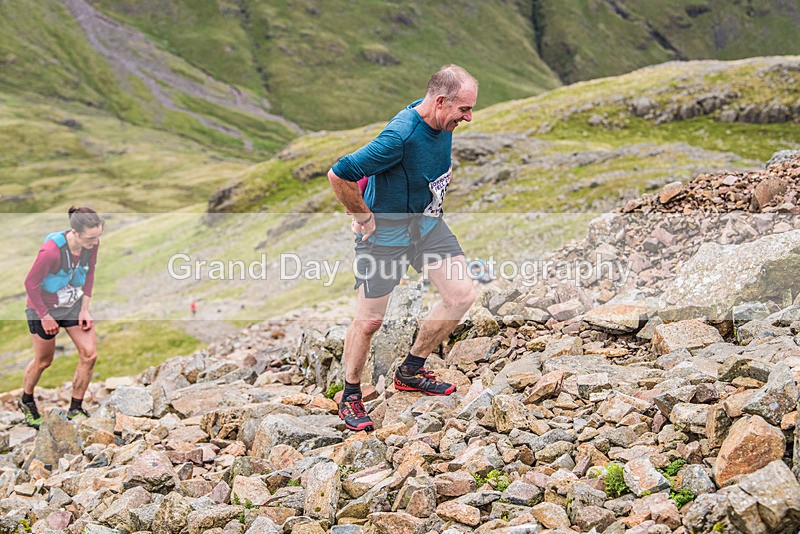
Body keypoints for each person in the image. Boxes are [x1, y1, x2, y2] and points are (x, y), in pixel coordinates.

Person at [327, 64, 479, 431]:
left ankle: (411, 370)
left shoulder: (436, 117)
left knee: (461, 296)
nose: (469, 118)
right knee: (370, 321)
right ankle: (350, 395)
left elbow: (404, 165)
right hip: (386, 236)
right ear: (441, 101)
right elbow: (341, 172)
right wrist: (363, 216)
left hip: (426, 226)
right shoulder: (401, 134)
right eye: (464, 110)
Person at [19, 207, 104, 428]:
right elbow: (30, 284)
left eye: (98, 237)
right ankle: (26, 400)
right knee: (44, 361)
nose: (95, 242)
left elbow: (90, 272)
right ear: (74, 232)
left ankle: (75, 408)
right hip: (43, 308)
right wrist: (45, 316)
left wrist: (85, 309)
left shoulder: (90, 246)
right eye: (90, 238)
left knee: (90, 354)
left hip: (72, 305)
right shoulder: (51, 252)